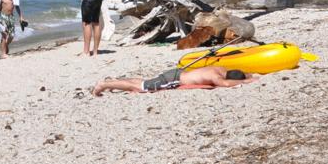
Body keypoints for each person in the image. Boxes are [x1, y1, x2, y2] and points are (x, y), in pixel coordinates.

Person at [92, 65, 258, 96]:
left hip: (177, 73)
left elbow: (237, 75)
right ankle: (104, 84)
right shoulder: (218, 77)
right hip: (173, 79)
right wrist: (245, 82)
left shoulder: (221, 69)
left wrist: (249, 75)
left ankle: (114, 80)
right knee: (143, 86)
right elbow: (225, 84)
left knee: (145, 81)